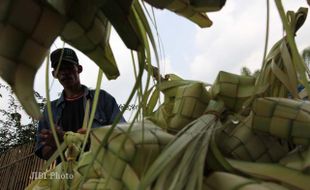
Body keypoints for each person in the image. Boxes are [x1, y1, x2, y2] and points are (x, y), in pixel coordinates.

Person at [35, 48, 125, 160]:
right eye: (59, 69)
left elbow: (122, 135)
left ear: (79, 69)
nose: (64, 72)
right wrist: (56, 145)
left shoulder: (101, 98)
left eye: (69, 67)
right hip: (66, 174)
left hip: (101, 169)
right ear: (54, 74)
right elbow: (45, 153)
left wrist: (66, 138)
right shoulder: (50, 110)